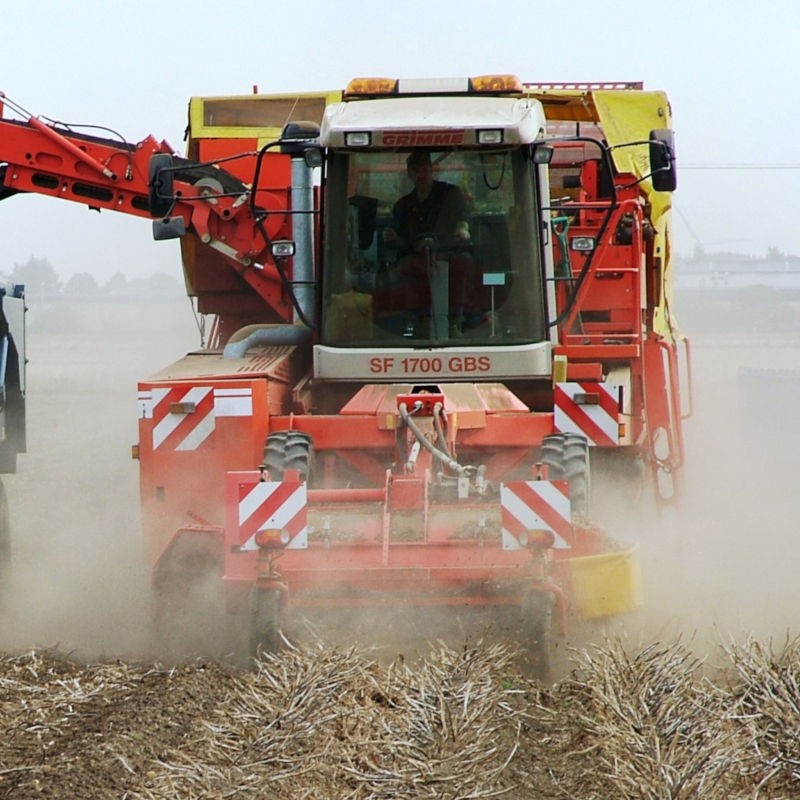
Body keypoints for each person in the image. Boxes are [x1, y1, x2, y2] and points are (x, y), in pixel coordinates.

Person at [382, 151, 476, 336]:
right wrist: (391, 236)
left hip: (451, 255)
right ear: (409, 174)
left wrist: (463, 228)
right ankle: (417, 321)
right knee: (399, 272)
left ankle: (456, 321)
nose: (421, 174)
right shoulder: (403, 205)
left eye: (424, 168)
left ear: (432, 170)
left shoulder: (451, 195)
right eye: (416, 170)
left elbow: (463, 218)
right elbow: (398, 235)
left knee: (465, 266)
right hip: (416, 257)